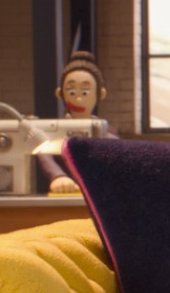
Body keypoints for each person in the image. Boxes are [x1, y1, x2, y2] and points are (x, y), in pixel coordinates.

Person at [42, 50, 115, 194]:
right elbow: (43, 153)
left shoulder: (104, 132)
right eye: (71, 92)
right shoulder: (57, 132)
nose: (79, 99)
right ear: (60, 93)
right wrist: (57, 176)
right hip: (66, 191)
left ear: (100, 93)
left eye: (85, 92)